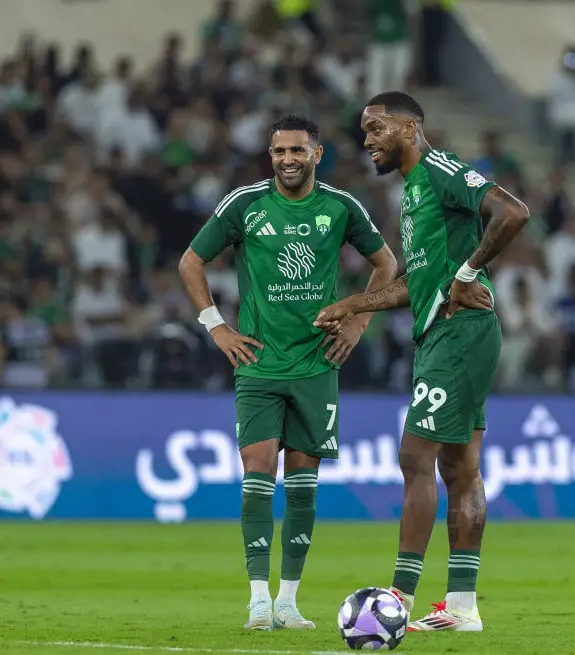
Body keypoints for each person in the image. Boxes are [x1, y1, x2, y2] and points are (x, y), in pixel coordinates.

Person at [313, 91, 530, 632]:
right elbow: (415, 281)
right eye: (365, 132)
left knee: (415, 457)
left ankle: (399, 598)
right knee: (459, 469)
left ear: (410, 128)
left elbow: (513, 212)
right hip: (445, 333)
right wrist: (353, 303)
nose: (368, 141)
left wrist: (468, 273)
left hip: (459, 334)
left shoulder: (439, 170)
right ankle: (461, 609)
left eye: (377, 128)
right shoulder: (413, 191)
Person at [177, 113, 397, 631]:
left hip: (318, 362)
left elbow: (387, 264)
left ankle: (288, 601)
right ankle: (257, 597)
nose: (288, 160)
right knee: (258, 469)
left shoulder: (341, 208)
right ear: (270, 156)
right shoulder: (245, 204)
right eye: (279, 152)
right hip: (257, 361)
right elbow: (191, 261)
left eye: (298, 151)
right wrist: (216, 328)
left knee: (303, 482)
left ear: (317, 154)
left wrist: (358, 322)